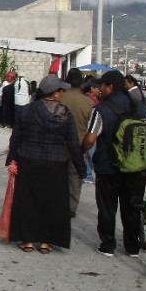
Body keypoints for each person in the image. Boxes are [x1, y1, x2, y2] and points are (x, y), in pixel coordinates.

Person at [8, 75, 86, 253]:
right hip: (56, 164)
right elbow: (73, 144)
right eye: (61, 91)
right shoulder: (65, 114)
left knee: (28, 201)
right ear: (55, 93)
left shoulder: (26, 111)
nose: (63, 94)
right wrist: (81, 168)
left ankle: (27, 240)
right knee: (52, 203)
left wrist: (11, 158)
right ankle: (46, 242)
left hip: (29, 161)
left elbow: (16, 138)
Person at [81, 70, 146, 258]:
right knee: (131, 207)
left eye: (102, 86)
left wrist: (81, 151)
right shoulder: (138, 106)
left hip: (108, 166)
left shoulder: (101, 109)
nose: (100, 89)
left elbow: (90, 139)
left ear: (110, 87)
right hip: (134, 167)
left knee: (107, 207)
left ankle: (108, 245)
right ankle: (132, 246)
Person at [60, 67, 95, 215]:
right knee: (74, 177)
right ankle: (71, 207)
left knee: (59, 174)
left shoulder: (59, 98)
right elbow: (90, 128)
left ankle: (57, 202)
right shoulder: (88, 103)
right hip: (80, 145)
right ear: (81, 84)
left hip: (59, 143)